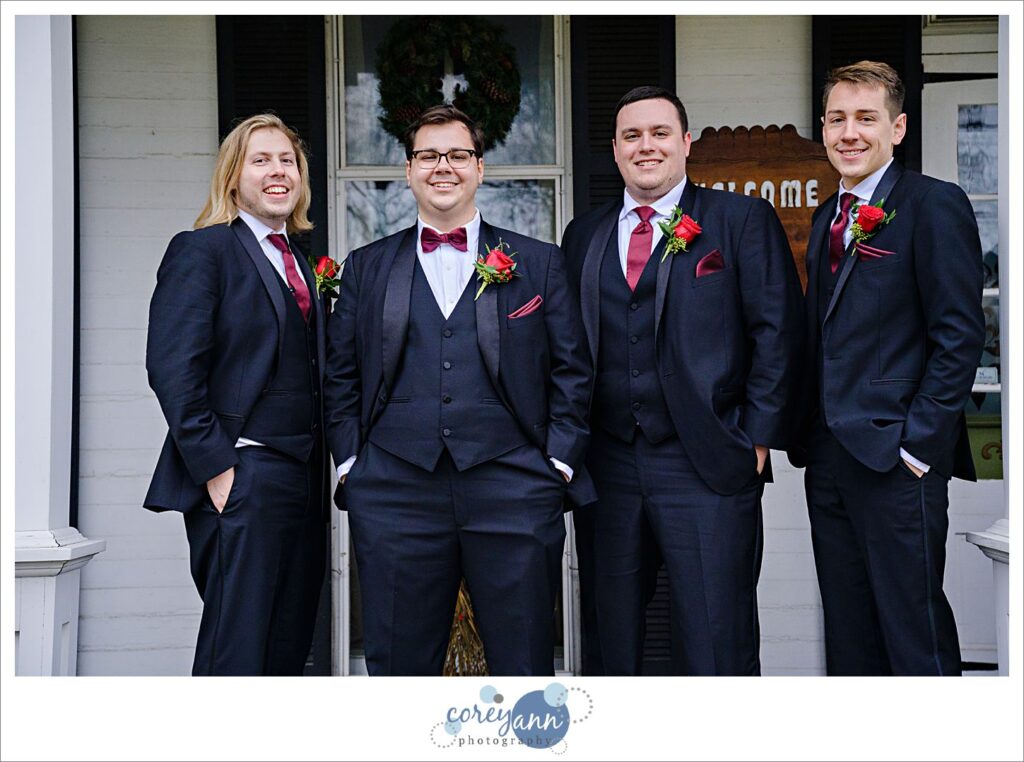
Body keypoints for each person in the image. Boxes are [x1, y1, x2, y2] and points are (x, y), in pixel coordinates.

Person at [325, 105, 593, 676]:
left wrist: (559, 466)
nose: (442, 166)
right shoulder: (366, 268)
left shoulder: (538, 264)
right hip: (395, 489)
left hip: (515, 485)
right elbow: (339, 373)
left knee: (523, 665)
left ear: (480, 168)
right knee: (399, 666)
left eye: (457, 155)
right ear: (408, 170)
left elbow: (573, 369)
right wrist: (351, 463)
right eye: (428, 155)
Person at [561, 85, 803, 675]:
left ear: (686, 143)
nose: (647, 146)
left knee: (717, 640)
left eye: (660, 133)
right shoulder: (583, 235)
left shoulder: (740, 220)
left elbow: (777, 331)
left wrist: (757, 442)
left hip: (711, 461)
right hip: (609, 467)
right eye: (632, 136)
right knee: (610, 641)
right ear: (615, 150)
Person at [788, 61, 985, 675]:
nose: (849, 132)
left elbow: (959, 336)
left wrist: (918, 447)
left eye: (865, 118)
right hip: (830, 461)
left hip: (898, 462)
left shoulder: (933, 205)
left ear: (897, 129)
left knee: (912, 631)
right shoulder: (828, 218)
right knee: (849, 636)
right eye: (837, 118)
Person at [144, 114, 329, 675]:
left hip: (302, 482)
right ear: (232, 176)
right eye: (261, 160)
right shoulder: (203, 251)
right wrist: (218, 469)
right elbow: (172, 369)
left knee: (287, 648)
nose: (279, 172)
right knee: (237, 652)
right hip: (240, 475)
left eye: (287, 161)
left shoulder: (299, 258)